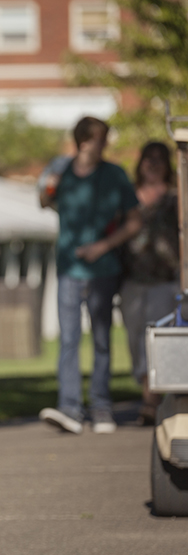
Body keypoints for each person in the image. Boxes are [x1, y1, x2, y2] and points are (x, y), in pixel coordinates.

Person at [38, 116, 140, 435]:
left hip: (104, 269)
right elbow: (44, 201)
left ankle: (101, 407)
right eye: (100, 139)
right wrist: (49, 182)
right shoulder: (62, 171)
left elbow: (134, 222)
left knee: (101, 338)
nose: (105, 144)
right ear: (84, 142)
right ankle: (70, 408)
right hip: (69, 268)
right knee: (68, 339)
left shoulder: (115, 175)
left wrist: (103, 246)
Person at [118, 141, 181, 424]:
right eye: (148, 158)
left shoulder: (176, 197)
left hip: (164, 280)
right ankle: (150, 398)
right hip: (132, 280)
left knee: (154, 340)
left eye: (159, 159)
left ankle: (150, 403)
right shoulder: (127, 197)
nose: (153, 164)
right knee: (135, 341)